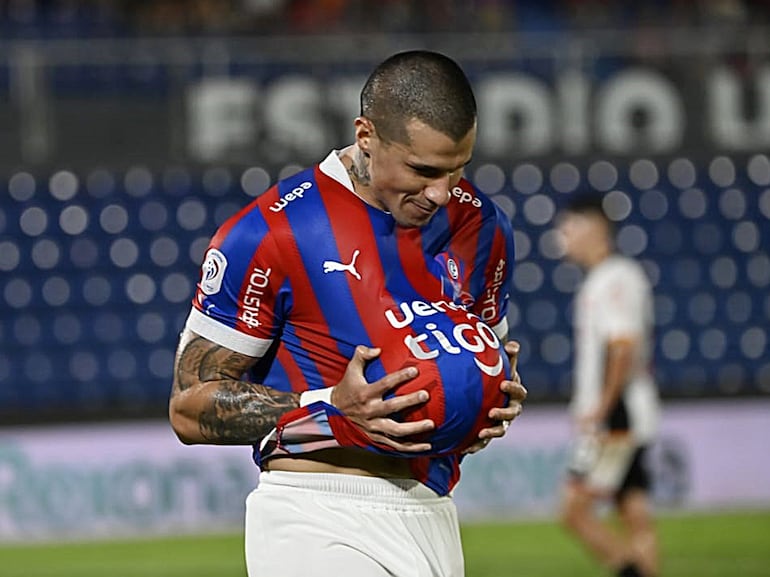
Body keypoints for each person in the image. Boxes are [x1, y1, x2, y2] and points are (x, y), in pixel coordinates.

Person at [169, 50, 527, 577]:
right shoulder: (271, 231)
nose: (440, 192)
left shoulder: (483, 228)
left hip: (432, 511)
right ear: (366, 137)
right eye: (422, 170)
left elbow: (469, 370)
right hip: (315, 512)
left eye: (456, 170)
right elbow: (188, 407)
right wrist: (332, 406)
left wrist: (488, 399)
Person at [556, 194, 661, 577]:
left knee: (573, 511)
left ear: (594, 227)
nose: (562, 238)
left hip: (617, 417)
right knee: (634, 515)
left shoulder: (614, 279)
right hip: (625, 412)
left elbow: (622, 346)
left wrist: (601, 408)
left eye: (568, 227)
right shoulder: (606, 279)